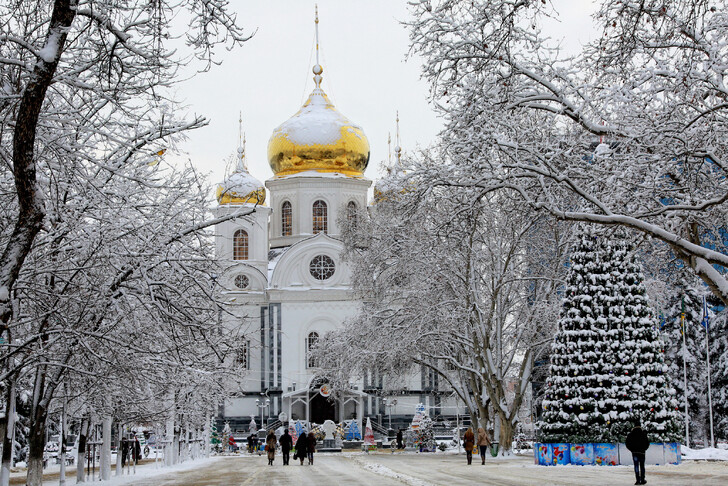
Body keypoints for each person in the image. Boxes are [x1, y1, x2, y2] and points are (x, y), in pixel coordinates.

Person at [625, 418, 650, 485]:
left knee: (636, 466)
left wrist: (632, 449)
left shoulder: (631, 434)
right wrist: (644, 449)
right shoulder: (643, 433)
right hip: (642, 452)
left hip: (634, 452)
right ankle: (642, 479)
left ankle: (637, 480)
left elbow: (627, 443)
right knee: (642, 466)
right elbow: (647, 443)